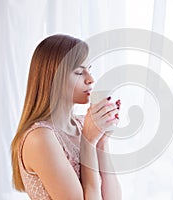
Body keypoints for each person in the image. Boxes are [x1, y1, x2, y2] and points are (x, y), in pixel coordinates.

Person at [11, 34, 122, 200]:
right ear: (53, 78)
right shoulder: (40, 138)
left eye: (89, 69)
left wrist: (102, 142)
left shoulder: (81, 124)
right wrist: (88, 142)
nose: (90, 79)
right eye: (79, 72)